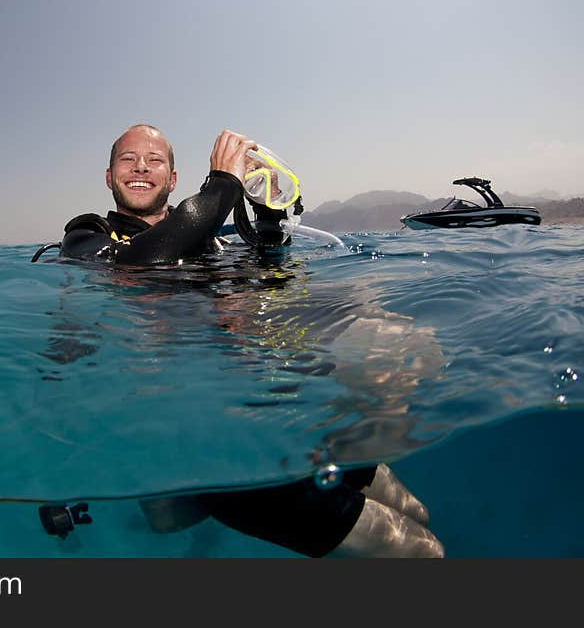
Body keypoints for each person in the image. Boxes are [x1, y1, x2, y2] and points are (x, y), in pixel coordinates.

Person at [58, 124, 444, 558]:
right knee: (422, 552)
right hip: (220, 452)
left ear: (173, 178)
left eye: (155, 160)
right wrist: (224, 185)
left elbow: (275, 281)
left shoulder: (213, 244)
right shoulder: (87, 238)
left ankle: (176, 503)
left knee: (417, 513)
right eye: (128, 160)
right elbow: (141, 262)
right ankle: (181, 496)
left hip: (278, 418)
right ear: (109, 177)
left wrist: (268, 215)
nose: (141, 166)